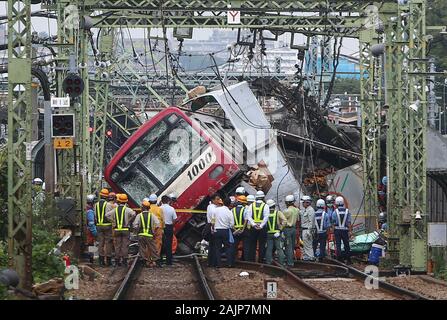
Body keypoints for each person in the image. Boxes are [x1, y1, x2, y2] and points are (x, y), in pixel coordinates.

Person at [105, 193, 136, 267]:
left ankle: (117, 261)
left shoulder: (115, 210)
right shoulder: (128, 210)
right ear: (126, 202)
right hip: (125, 229)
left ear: (119, 201)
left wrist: (113, 221)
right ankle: (124, 262)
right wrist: (129, 221)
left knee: (117, 246)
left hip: (116, 230)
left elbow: (106, 215)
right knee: (125, 245)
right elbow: (134, 214)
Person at [133, 199, 162, 267]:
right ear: (149, 208)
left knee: (142, 249)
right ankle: (156, 261)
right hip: (149, 235)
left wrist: (137, 230)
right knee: (153, 248)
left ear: (142, 208)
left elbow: (135, 225)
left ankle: (144, 261)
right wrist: (154, 231)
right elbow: (158, 224)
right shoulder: (152, 215)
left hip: (141, 235)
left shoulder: (139, 215)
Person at [245, 190, 270, 262]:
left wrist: (254, 224)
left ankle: (251, 260)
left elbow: (248, 216)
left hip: (253, 228)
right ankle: (260, 260)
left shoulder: (251, 205)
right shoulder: (266, 206)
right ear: (263, 197)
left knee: (252, 244)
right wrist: (261, 225)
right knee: (262, 245)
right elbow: (266, 217)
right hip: (262, 228)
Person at [211, 197, 235, 268]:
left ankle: (218, 264)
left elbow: (212, 221)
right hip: (225, 231)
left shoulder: (216, 210)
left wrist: (213, 228)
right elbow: (232, 224)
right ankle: (229, 263)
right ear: (230, 204)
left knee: (217, 247)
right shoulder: (229, 212)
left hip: (217, 230)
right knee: (228, 247)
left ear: (223, 202)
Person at [94, 188, 115, 266]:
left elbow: (95, 215)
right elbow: (109, 215)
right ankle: (108, 261)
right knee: (108, 242)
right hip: (107, 226)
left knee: (101, 242)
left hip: (99, 225)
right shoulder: (108, 205)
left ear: (100, 196)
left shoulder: (96, 205)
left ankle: (101, 261)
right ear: (106, 197)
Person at [265, 199, 286, 265]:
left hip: (268, 233)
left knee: (269, 248)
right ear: (274, 205)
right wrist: (280, 230)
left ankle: (268, 262)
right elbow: (285, 221)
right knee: (279, 248)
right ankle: (281, 262)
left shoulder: (265, 214)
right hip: (277, 233)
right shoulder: (278, 212)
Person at [332, 196, 352, 264]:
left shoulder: (335, 212)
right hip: (345, 230)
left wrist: (333, 232)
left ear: (336, 203)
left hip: (337, 230)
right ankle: (348, 259)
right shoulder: (347, 211)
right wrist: (350, 231)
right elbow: (349, 222)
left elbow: (333, 223)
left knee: (338, 244)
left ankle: (339, 259)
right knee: (346, 244)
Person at [282, 195, 299, 266]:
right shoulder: (297, 210)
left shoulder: (287, 211)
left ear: (287, 203)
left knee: (288, 246)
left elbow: (281, 220)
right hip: (294, 229)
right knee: (292, 246)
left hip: (287, 230)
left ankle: (289, 262)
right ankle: (291, 260)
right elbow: (298, 220)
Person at [231, 195, 249, 261]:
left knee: (234, 245)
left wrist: (235, 230)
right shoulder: (245, 210)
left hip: (235, 231)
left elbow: (231, 222)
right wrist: (242, 230)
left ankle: (234, 259)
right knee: (246, 245)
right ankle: (245, 260)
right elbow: (246, 220)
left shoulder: (232, 210)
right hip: (243, 231)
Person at [160, 195, 177, 266]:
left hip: (161, 227)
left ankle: (160, 260)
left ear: (161, 201)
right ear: (168, 201)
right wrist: (171, 225)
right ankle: (169, 262)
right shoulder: (172, 209)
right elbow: (175, 219)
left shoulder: (159, 208)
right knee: (169, 244)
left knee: (160, 243)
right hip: (169, 227)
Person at [205, 193, 220, 267]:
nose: (218, 200)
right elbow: (214, 218)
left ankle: (210, 262)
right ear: (213, 200)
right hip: (213, 227)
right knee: (215, 246)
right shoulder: (214, 208)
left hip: (210, 226)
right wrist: (213, 229)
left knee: (212, 245)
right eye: (217, 199)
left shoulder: (209, 206)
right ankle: (214, 262)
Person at [300, 195, 315, 261]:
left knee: (308, 245)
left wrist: (309, 231)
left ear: (308, 202)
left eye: (304, 202)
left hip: (307, 230)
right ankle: (307, 257)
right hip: (304, 230)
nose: (303, 204)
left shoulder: (310, 210)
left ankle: (311, 257)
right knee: (305, 245)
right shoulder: (306, 210)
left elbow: (311, 221)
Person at [85, 194, 98, 264]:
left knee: (91, 244)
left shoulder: (87, 209)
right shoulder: (90, 211)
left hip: (88, 229)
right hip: (90, 230)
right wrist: (94, 231)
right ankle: (91, 258)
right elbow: (91, 223)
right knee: (91, 244)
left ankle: (91, 257)